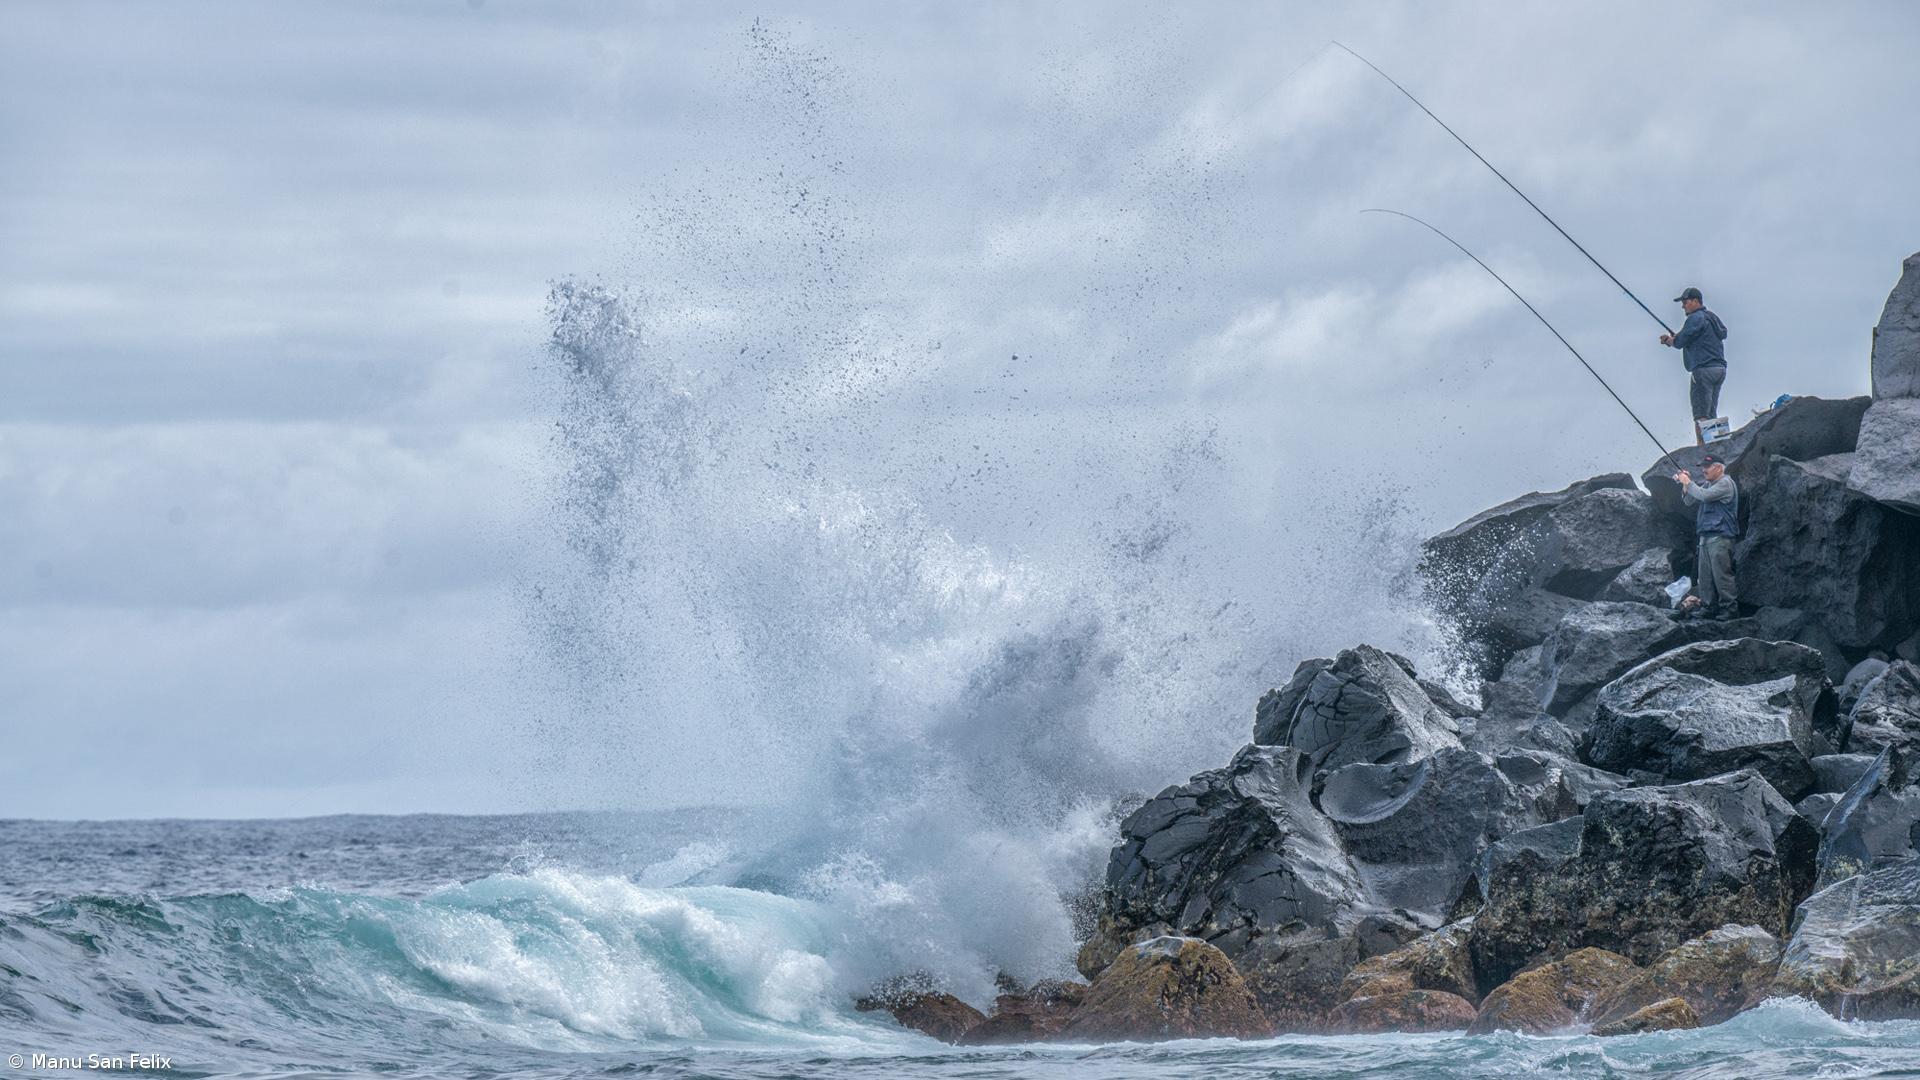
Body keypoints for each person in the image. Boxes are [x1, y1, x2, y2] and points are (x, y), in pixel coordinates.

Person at [1658, 286, 1729, 444]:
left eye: (1685, 302)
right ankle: (1717, 446)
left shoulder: (1695, 318)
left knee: (1700, 413)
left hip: (1703, 369)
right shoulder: (1712, 317)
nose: (1683, 306)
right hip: (1719, 369)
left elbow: (1681, 341)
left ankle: (1702, 450)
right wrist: (1679, 338)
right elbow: (1721, 332)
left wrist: (1670, 341)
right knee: (1711, 411)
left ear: (1696, 301)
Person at [1675, 454, 1738, 620]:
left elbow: (1704, 496)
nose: (1704, 470)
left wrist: (1689, 482)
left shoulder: (1725, 483)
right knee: (1704, 576)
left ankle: (1729, 609)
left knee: (1722, 575)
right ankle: (1708, 607)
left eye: (1707, 467)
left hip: (1721, 537)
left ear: (1719, 467)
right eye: (1702, 467)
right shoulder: (1708, 483)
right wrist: (1685, 484)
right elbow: (1689, 501)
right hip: (1705, 538)